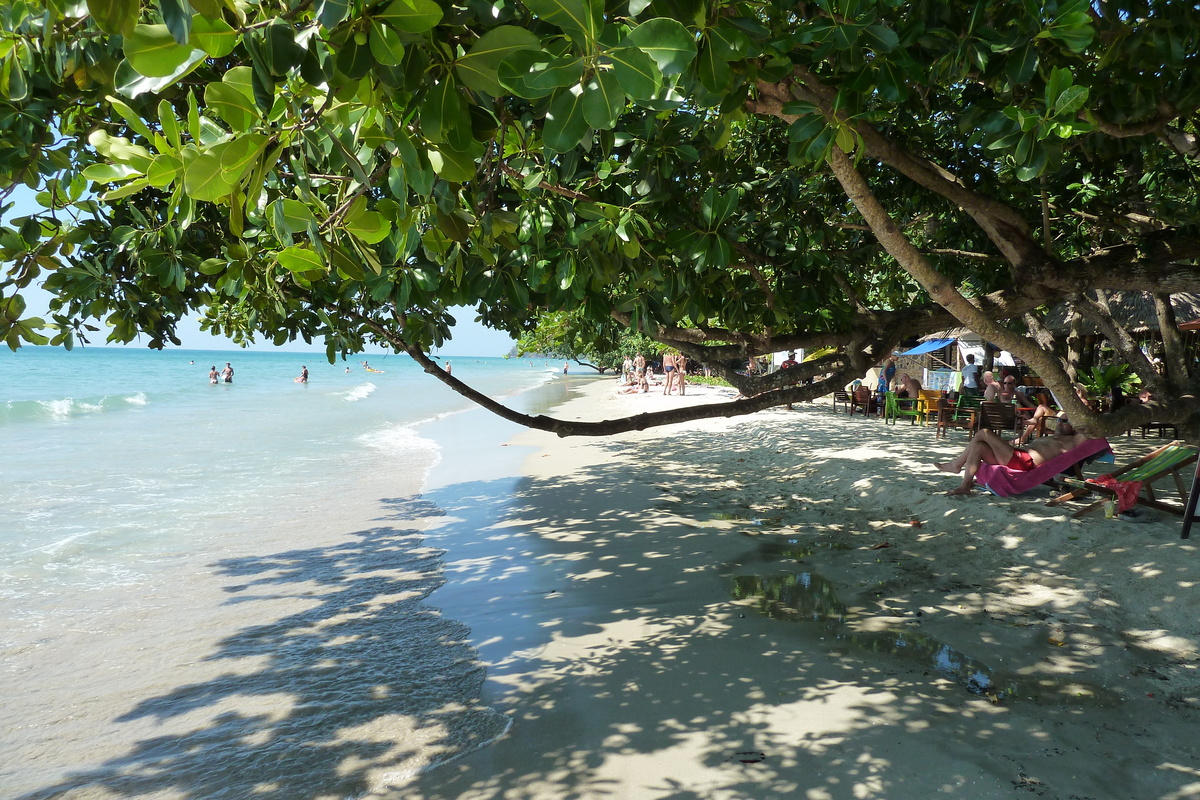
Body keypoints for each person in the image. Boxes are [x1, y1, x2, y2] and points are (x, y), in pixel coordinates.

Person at [936, 418, 1089, 495]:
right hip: (1017, 455)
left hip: (1024, 461)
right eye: (1059, 420)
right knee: (978, 446)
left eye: (1065, 421)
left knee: (984, 433)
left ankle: (956, 465)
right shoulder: (1052, 436)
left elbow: (1093, 430)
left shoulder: (1072, 440)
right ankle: (965, 485)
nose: (1060, 423)